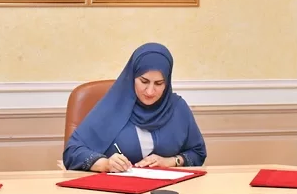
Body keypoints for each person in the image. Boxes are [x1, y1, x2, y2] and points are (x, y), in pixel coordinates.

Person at [62, 43, 206, 172]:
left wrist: (171, 161)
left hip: (169, 189)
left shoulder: (178, 108)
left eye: (159, 83)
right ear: (132, 77)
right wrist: (105, 164)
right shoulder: (112, 106)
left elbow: (198, 153)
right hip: (116, 190)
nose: (150, 91)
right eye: (144, 81)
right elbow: (72, 152)